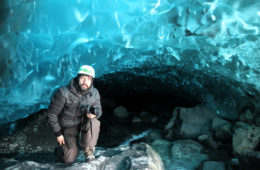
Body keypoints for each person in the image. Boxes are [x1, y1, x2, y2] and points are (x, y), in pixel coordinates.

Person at [47, 65, 102, 163]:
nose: (85, 82)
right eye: (82, 78)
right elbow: (52, 114)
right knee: (68, 160)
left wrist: (95, 113)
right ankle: (60, 151)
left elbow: (99, 110)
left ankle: (88, 150)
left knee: (94, 121)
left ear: (92, 80)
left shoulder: (94, 93)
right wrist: (58, 133)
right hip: (68, 128)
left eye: (88, 79)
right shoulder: (63, 92)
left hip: (82, 124)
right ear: (77, 78)